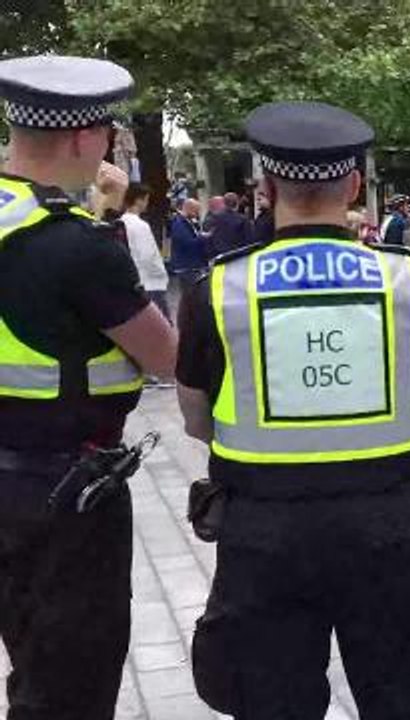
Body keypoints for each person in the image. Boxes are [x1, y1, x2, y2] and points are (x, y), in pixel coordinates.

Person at [177, 100, 410, 719]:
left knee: (272, 701)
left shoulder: (220, 288)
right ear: (355, 185)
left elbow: (196, 417)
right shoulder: (407, 279)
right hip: (388, 524)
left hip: (262, 534)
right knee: (405, 700)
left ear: (266, 186)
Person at [0, 54, 178, 720]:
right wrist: (105, 230)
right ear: (84, 138)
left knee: (30, 660)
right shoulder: (78, 247)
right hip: (65, 497)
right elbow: (166, 357)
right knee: (71, 684)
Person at [121, 183, 171, 320]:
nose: (147, 203)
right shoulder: (140, 225)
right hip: (152, 283)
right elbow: (148, 256)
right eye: (146, 199)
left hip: (136, 281)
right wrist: (161, 274)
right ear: (138, 200)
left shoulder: (121, 223)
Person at [169, 197, 208, 296]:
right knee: (190, 295)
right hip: (187, 266)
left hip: (191, 266)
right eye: (196, 211)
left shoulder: (187, 221)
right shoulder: (179, 222)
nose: (197, 214)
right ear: (189, 208)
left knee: (192, 294)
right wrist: (202, 237)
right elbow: (187, 243)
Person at [205, 191, 253, 257]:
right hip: (237, 256)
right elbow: (249, 241)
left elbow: (208, 237)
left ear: (224, 203)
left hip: (219, 256)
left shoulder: (213, 218)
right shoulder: (243, 220)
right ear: (237, 203)